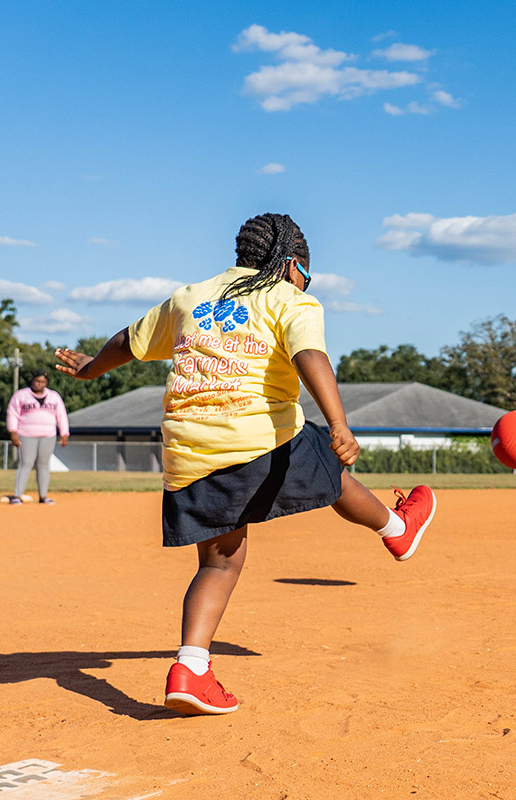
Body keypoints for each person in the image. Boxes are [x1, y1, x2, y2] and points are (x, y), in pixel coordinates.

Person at [53, 213, 437, 716]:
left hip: (189, 452)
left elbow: (131, 339)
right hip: (258, 437)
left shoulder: (191, 297)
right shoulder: (290, 298)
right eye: (307, 273)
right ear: (292, 264)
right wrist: (339, 423)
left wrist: (90, 367)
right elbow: (311, 358)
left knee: (220, 561)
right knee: (324, 457)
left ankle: (191, 667)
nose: (306, 282)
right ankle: (396, 527)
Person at [6, 370, 69, 504]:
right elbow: (12, 414)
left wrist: (64, 433)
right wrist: (13, 432)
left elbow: (61, 415)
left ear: (46, 383)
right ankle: (17, 495)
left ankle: (43, 496)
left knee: (44, 465)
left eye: (43, 382)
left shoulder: (54, 396)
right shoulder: (21, 395)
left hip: (48, 435)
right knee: (26, 464)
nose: (39, 384)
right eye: (37, 381)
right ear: (32, 381)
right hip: (26, 434)